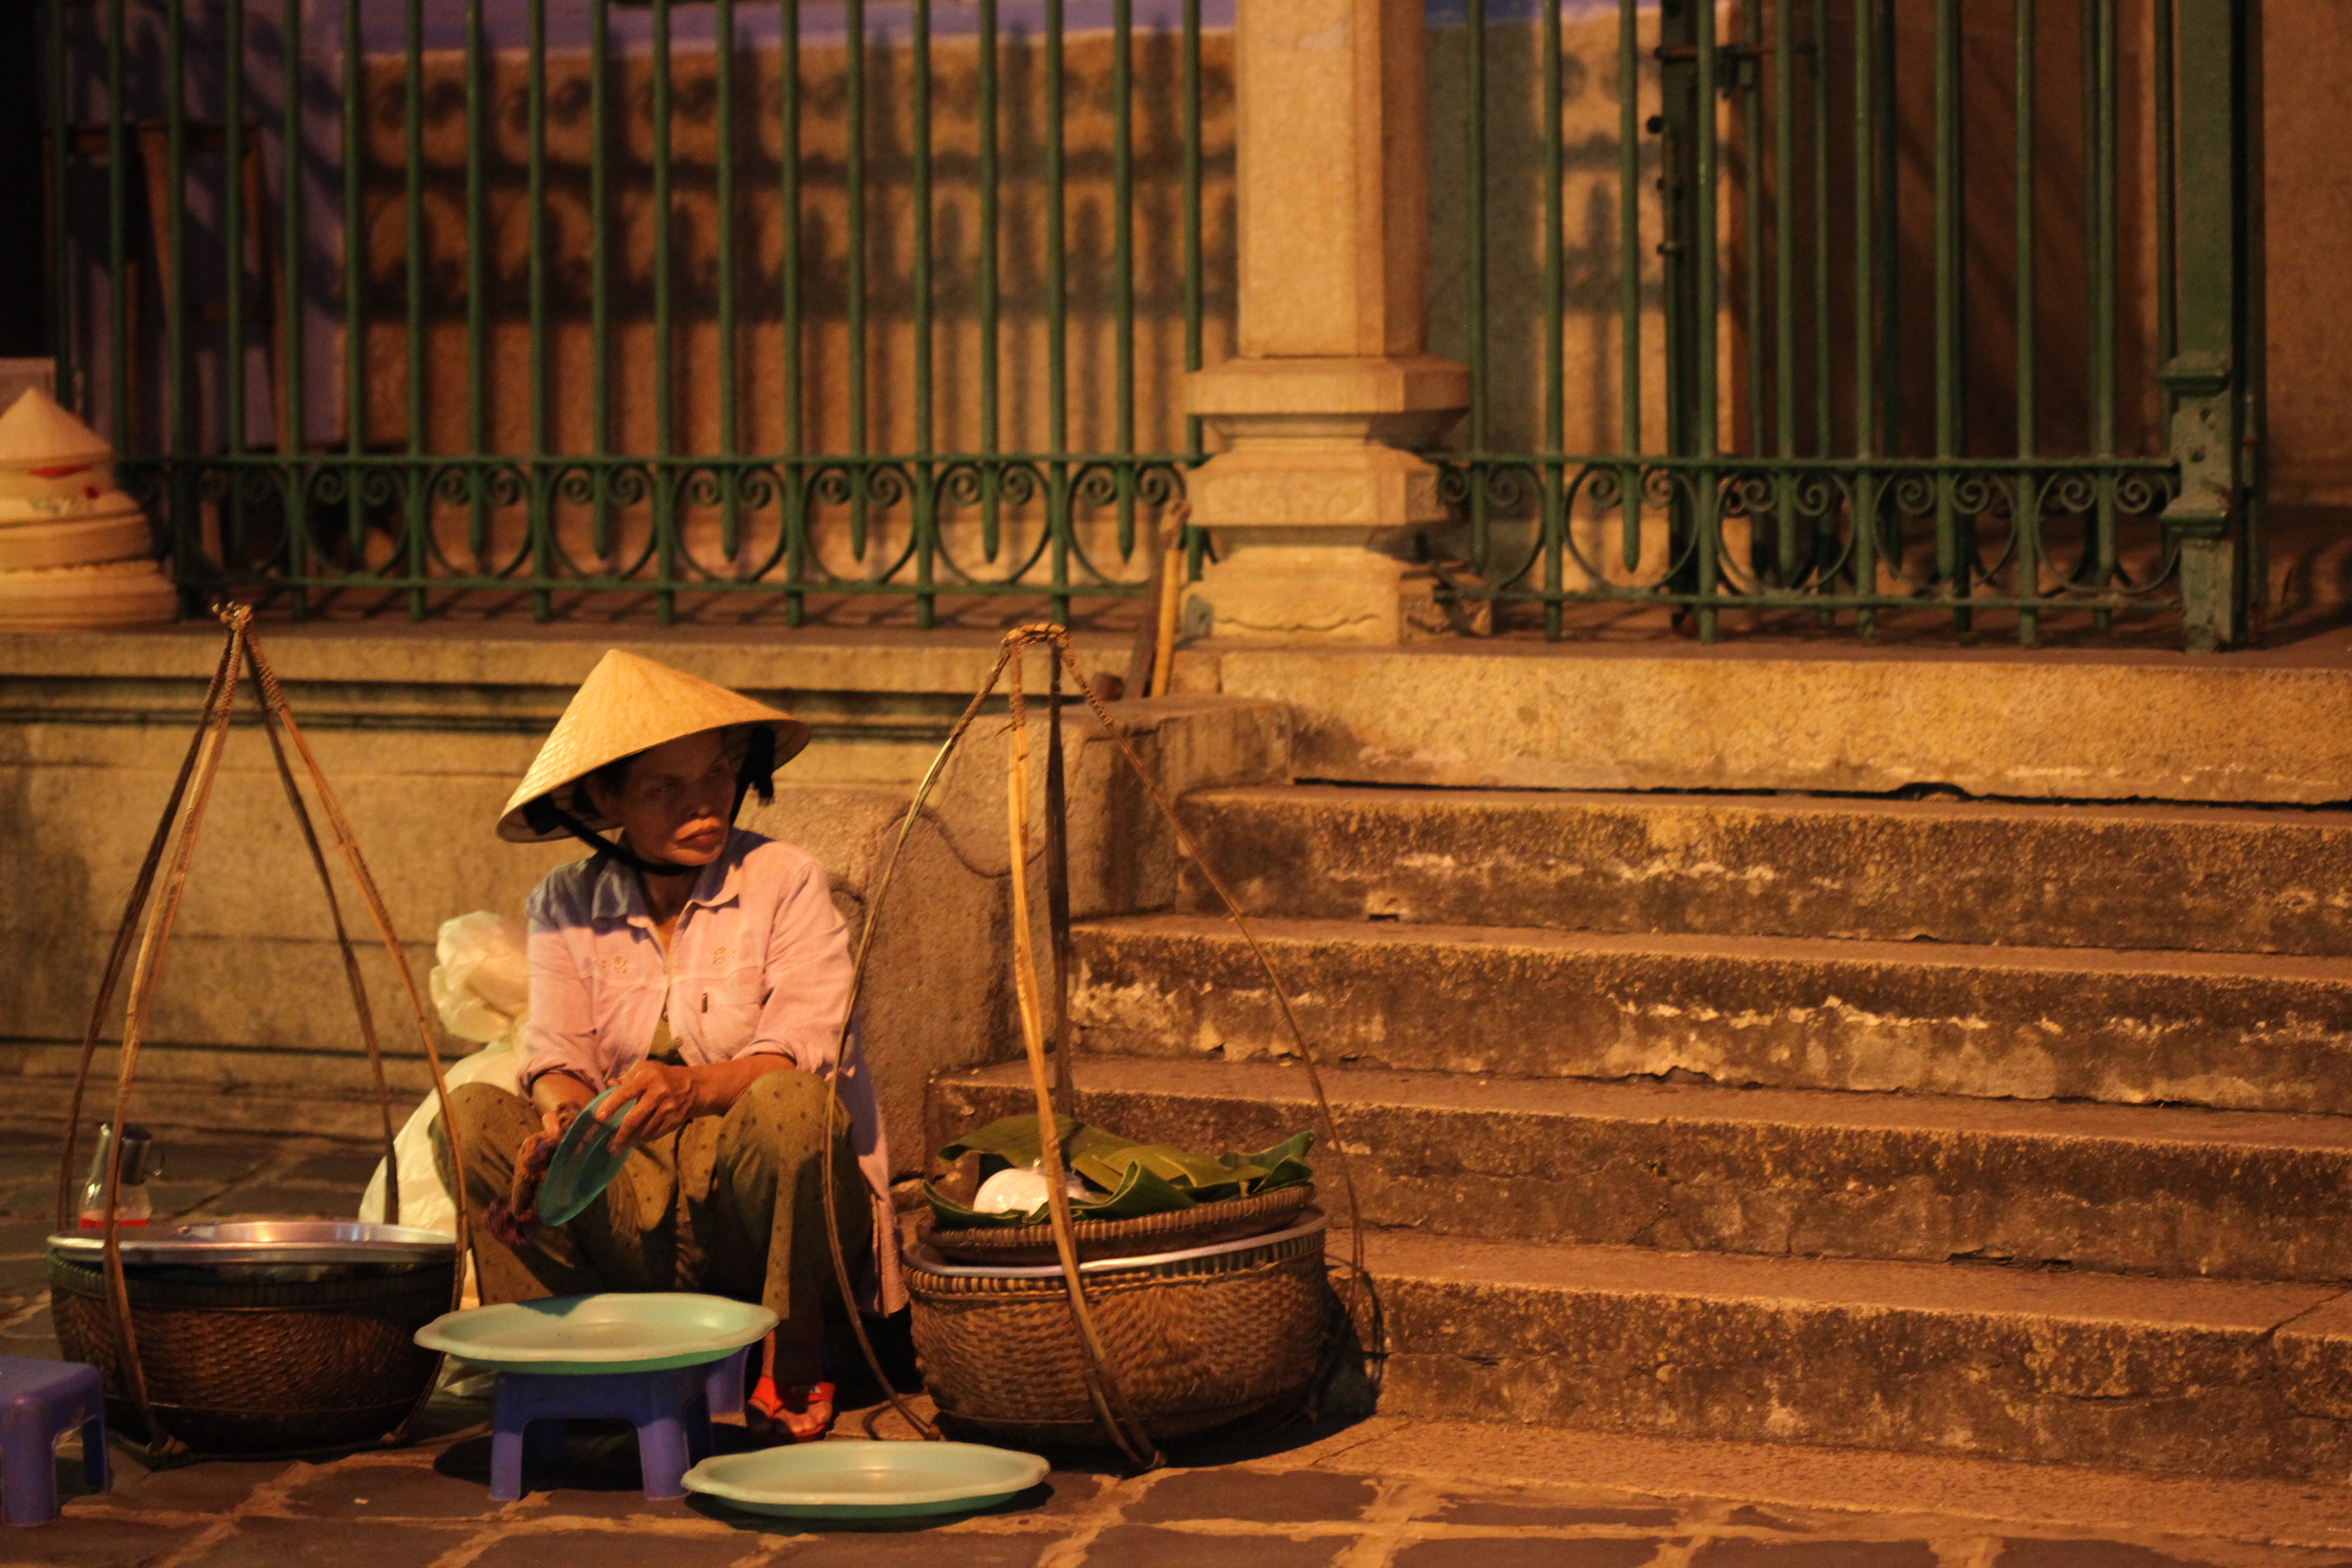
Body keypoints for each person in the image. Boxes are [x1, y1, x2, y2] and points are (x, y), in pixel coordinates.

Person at [434, 649, 900, 1443]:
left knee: (793, 1106)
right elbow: (553, 1055)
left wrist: (692, 1091)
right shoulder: (565, 901)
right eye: (665, 787)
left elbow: (802, 1050)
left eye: (718, 775)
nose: (704, 803)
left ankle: (790, 1361)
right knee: (471, 1115)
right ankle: (569, 1358)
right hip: (632, 1212)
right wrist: (561, 1126)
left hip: (759, 1215)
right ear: (605, 799)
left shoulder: (783, 879)